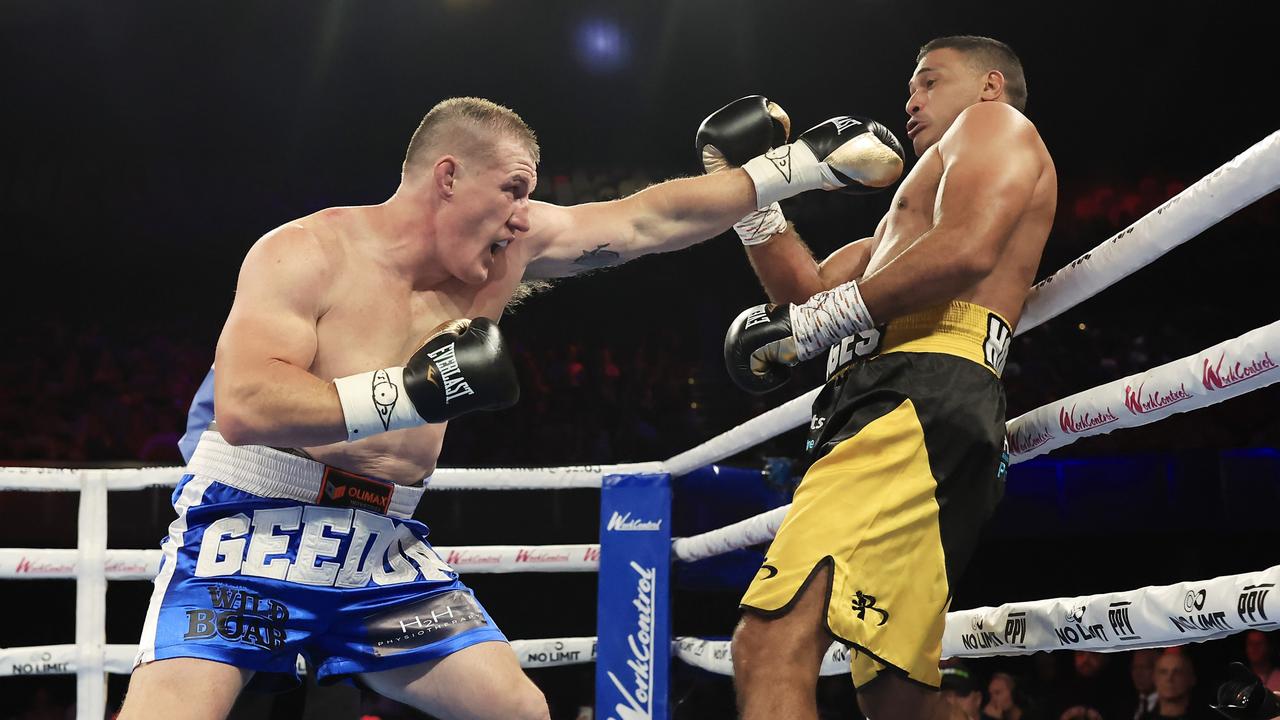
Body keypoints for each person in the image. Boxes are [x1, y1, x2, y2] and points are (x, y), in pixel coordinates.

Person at [117, 96, 901, 720]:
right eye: (514, 189)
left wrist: (795, 170)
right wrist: (410, 393)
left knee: (518, 709)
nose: (524, 213)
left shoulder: (506, 249)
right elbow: (249, 405)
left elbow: (645, 220)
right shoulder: (306, 252)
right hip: (252, 532)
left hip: (380, 549)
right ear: (448, 176)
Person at [712, 36, 1057, 720]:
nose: (910, 100)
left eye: (928, 82)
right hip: (902, 404)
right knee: (894, 692)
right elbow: (806, 294)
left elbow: (969, 249)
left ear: (989, 86)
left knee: (770, 642)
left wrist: (820, 323)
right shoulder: (901, 223)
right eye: (910, 88)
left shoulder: (997, 126)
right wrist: (754, 196)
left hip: (912, 396)